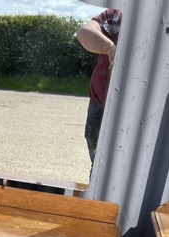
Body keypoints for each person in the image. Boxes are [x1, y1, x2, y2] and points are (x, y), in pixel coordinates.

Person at [77, 9, 122, 164]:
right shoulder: (115, 16)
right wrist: (111, 48)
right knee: (98, 168)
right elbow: (84, 33)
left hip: (135, 111)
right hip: (100, 107)